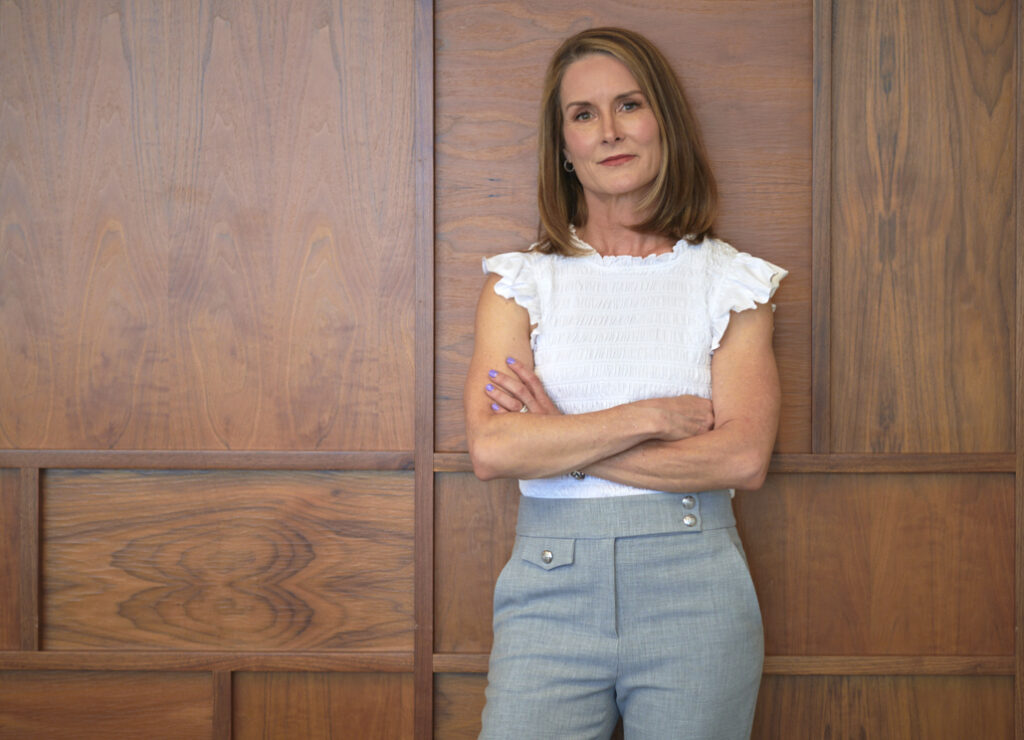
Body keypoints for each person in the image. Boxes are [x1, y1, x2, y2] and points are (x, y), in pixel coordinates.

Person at [464, 26, 786, 740]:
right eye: (583, 114)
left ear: (663, 122)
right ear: (564, 147)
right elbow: (493, 449)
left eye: (629, 105)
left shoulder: (732, 282)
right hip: (548, 587)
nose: (608, 131)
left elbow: (741, 459)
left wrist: (560, 439)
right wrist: (649, 416)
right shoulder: (520, 283)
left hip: (696, 589)